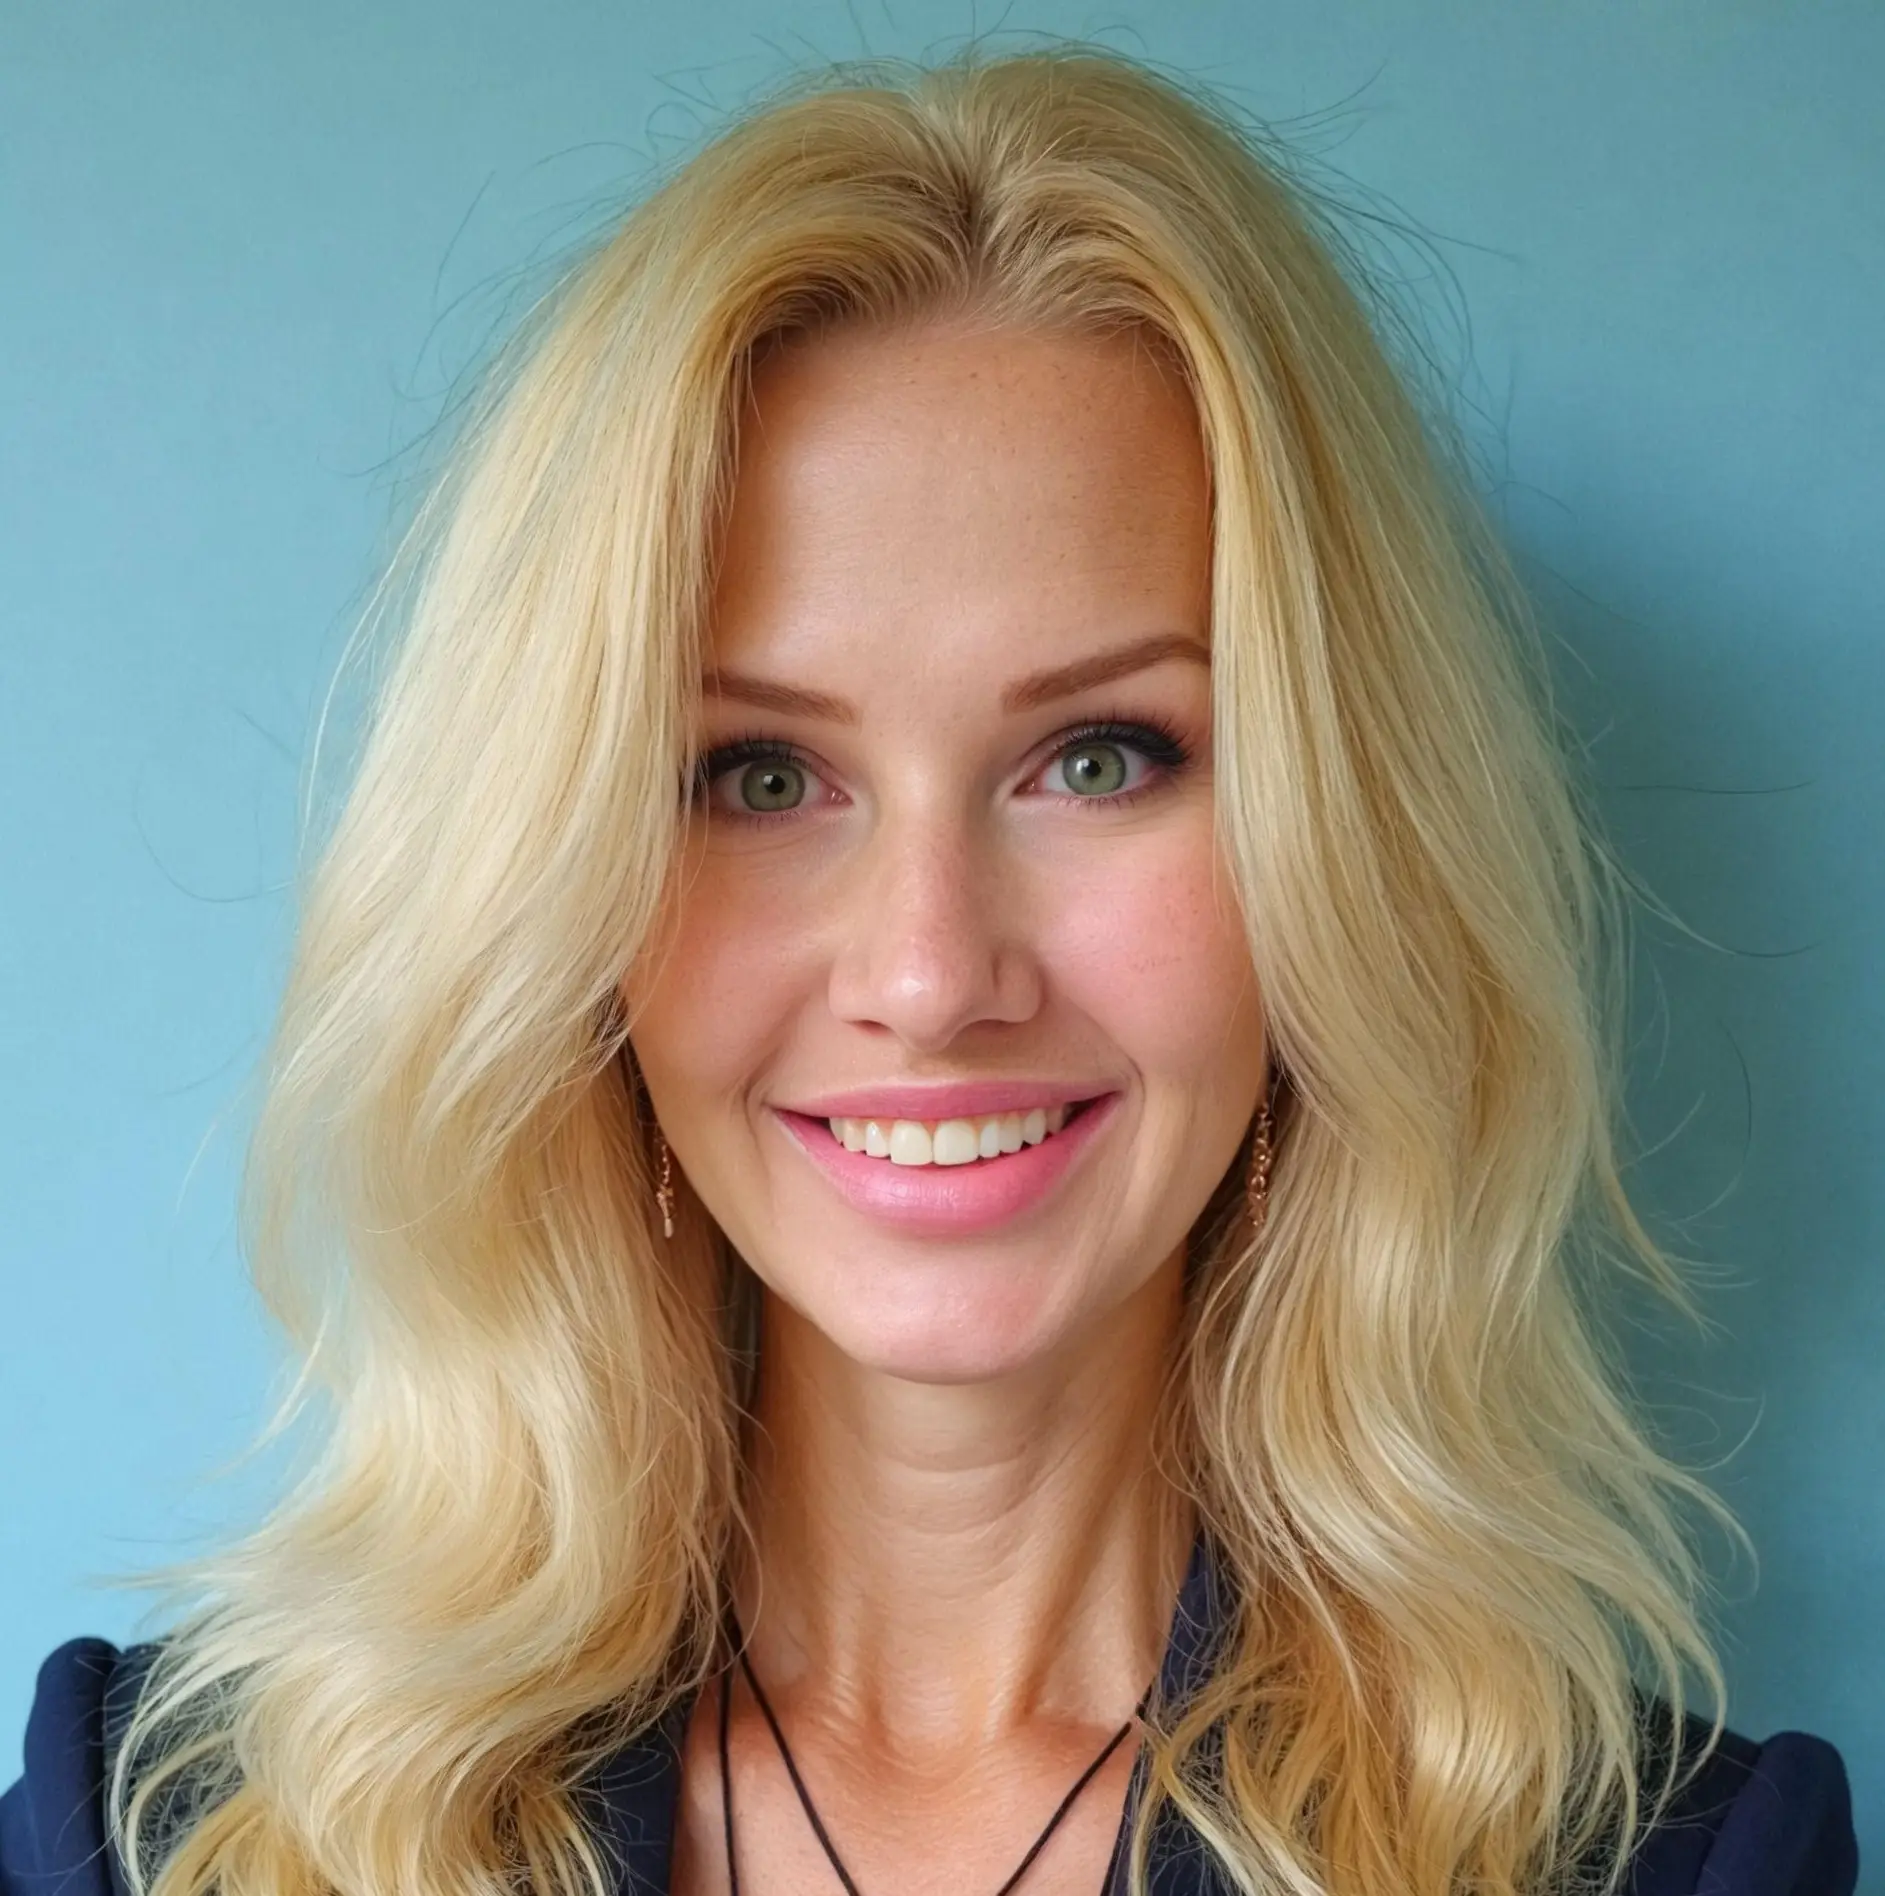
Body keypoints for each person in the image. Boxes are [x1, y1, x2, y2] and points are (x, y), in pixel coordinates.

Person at [0, 45, 1857, 1896]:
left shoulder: (1685, 1862)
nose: (928, 971)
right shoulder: (161, 1837)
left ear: (1340, 853)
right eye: (760, 775)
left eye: (1101, 757)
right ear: (561, 903)